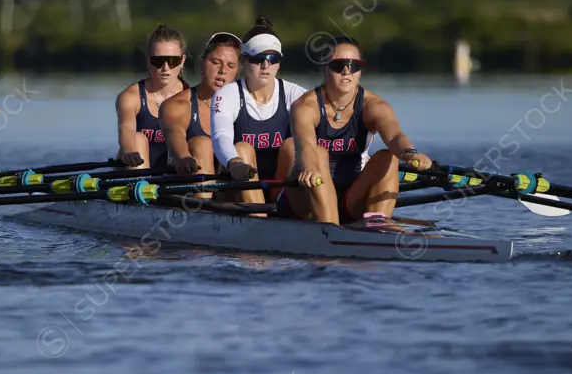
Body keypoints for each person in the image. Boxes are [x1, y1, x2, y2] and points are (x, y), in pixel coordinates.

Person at [278, 37, 433, 225]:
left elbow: (395, 136)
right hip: (305, 195)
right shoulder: (305, 106)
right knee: (318, 152)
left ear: (360, 71)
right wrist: (309, 168)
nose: (346, 71)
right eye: (338, 64)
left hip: (350, 198)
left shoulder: (374, 105)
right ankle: (330, 230)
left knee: (388, 156)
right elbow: (306, 146)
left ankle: (379, 226)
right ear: (324, 68)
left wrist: (410, 154)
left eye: (353, 65)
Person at [211, 16, 307, 206]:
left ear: (279, 62)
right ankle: (259, 216)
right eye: (258, 59)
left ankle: (284, 210)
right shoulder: (227, 94)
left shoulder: (295, 94)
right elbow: (220, 135)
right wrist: (234, 162)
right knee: (242, 149)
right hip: (237, 187)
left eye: (273, 59)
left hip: (280, 186)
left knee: (292, 145)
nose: (266, 66)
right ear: (244, 61)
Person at [159, 32, 242, 198]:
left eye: (231, 66)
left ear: (237, 71)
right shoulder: (177, 105)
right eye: (216, 62)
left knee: (243, 149)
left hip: (228, 191)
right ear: (201, 63)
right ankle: (204, 212)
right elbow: (175, 134)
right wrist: (182, 157)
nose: (223, 71)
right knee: (202, 144)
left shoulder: (247, 104)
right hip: (187, 190)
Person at [115, 24, 189, 169]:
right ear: (148, 60)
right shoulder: (131, 96)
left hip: (174, 174)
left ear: (182, 61)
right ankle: (139, 186)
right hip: (135, 168)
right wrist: (129, 151)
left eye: (173, 60)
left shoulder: (192, 97)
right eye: (158, 61)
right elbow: (126, 127)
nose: (166, 67)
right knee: (138, 139)